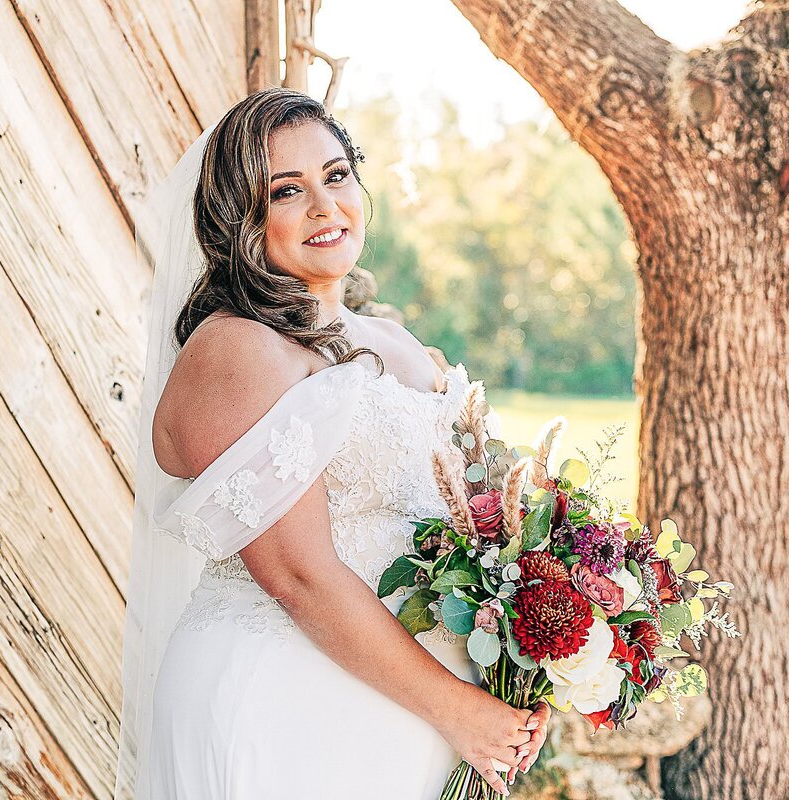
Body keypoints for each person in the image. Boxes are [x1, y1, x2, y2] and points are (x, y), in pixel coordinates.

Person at [115, 87, 551, 800]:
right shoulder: (236, 349)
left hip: (412, 713)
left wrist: (530, 660)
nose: (325, 206)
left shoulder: (396, 342)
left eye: (337, 175)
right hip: (293, 702)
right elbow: (299, 576)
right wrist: (460, 709)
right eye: (288, 191)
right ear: (241, 221)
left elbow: (477, 532)